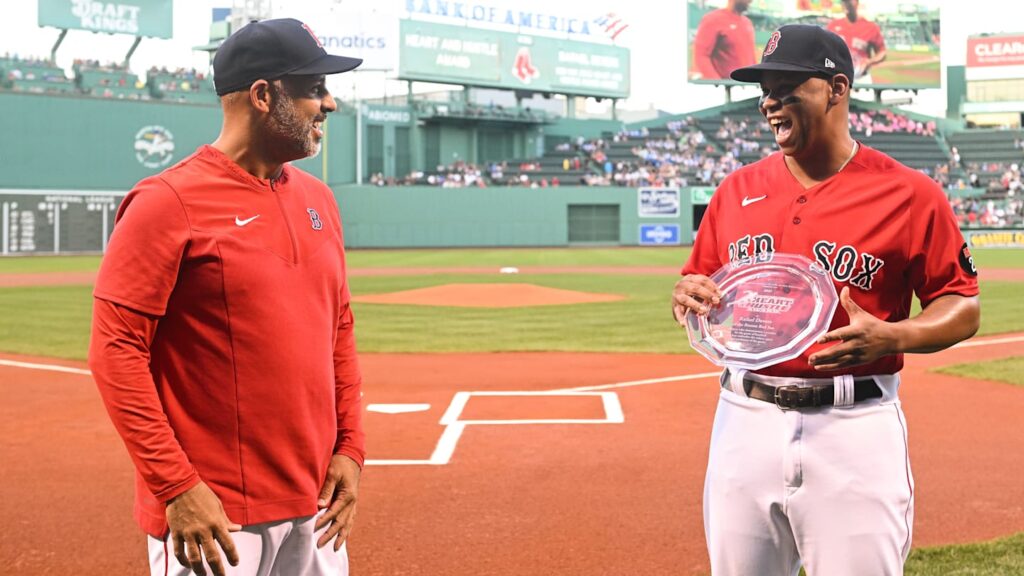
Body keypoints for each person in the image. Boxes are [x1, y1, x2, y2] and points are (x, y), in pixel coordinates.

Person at [671, 25, 980, 576]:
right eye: (765, 88)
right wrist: (688, 295)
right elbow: (699, 284)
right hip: (745, 420)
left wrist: (896, 335)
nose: (770, 101)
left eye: (787, 85)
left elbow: (963, 304)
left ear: (836, 89)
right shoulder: (735, 189)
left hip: (854, 426)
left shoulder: (909, 193)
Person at [88, 18, 366, 576]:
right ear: (263, 95)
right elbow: (115, 351)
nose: (329, 103)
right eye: (314, 88)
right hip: (216, 517)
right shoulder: (166, 202)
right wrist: (176, 486)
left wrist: (351, 448)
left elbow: (338, 328)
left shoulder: (319, 200)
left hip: (316, 505)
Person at [692, 0, 756, 80]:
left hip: (746, 86)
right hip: (726, 87)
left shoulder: (747, 23)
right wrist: (718, 83)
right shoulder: (713, 19)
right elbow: (701, 56)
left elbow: (751, 57)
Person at [827, 0, 887, 83]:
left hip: (861, 79)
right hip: (838, 78)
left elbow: (882, 51)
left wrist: (870, 61)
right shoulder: (833, 26)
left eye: (849, 1)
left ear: (857, 2)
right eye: (844, 2)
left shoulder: (870, 27)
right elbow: (824, 51)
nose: (846, 4)